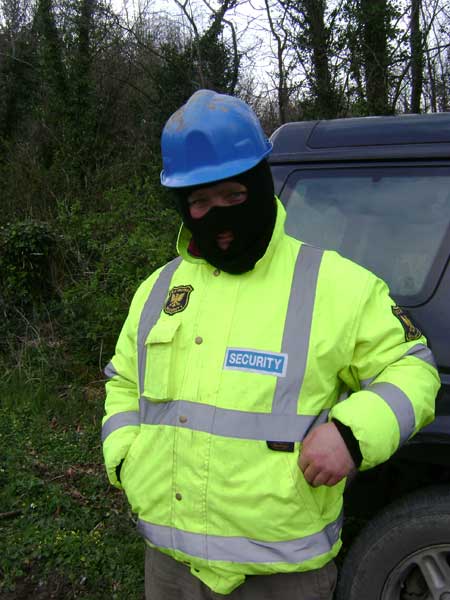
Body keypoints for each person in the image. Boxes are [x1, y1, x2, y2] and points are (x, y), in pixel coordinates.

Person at [102, 89, 440, 599]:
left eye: (233, 197)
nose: (218, 217)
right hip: (169, 567)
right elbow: (124, 381)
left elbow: (414, 369)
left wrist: (351, 435)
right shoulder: (158, 290)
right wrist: (124, 457)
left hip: (284, 576)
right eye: (199, 202)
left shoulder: (336, 284)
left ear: (260, 186)